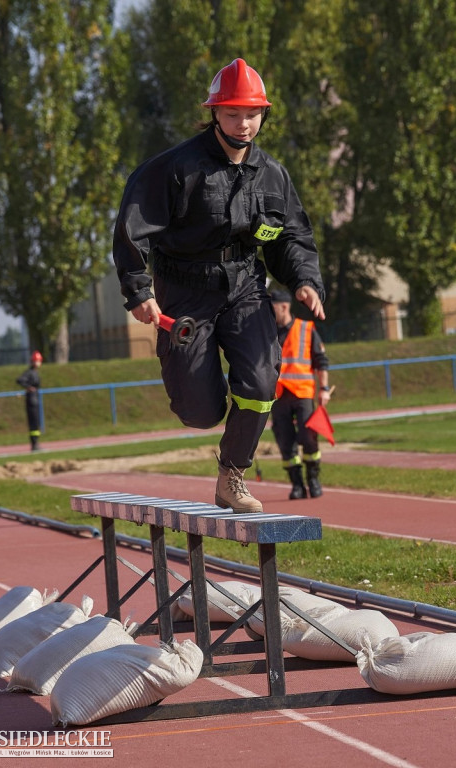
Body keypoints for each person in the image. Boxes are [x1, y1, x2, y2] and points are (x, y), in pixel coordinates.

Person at [113, 58, 325, 513]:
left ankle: (232, 475)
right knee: (201, 412)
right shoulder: (175, 169)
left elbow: (290, 238)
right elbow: (133, 228)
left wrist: (305, 281)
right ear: (214, 113)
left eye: (252, 114)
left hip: (247, 287)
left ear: (263, 114)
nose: (243, 124)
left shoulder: (273, 176)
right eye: (232, 114)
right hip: (187, 291)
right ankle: (197, 387)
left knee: (263, 380)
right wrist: (140, 290)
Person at [270, 289, 331, 499]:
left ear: (284, 306)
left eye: (273, 306)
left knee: (309, 437)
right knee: (285, 441)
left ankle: (313, 479)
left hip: (303, 393)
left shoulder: (306, 329)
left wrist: (324, 389)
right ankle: (297, 485)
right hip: (277, 396)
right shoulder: (267, 333)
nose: (269, 311)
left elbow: (321, 362)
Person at [16, 351, 43, 451]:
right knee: (33, 421)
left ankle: (36, 442)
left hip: (35, 397)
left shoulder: (35, 372)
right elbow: (19, 380)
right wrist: (28, 387)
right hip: (31, 399)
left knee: (36, 422)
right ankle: (34, 443)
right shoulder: (29, 372)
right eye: (37, 361)